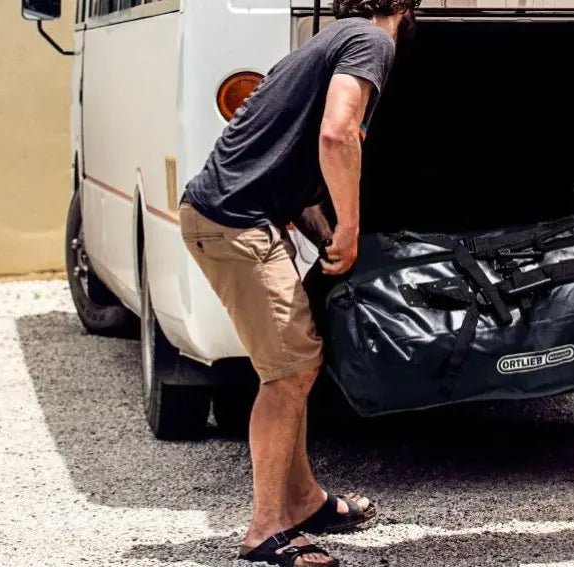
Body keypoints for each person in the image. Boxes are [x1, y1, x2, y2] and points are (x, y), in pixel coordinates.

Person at [177, 0, 419, 565]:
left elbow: (290, 160)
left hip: (232, 216)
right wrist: (350, 227)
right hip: (236, 224)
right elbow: (336, 136)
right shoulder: (371, 41)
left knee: (295, 365)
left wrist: (325, 232)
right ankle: (265, 530)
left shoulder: (328, 40)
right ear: (406, 8)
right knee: (288, 373)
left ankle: (304, 500)